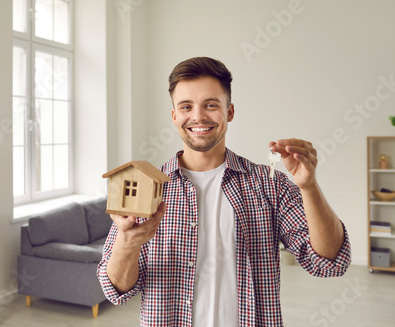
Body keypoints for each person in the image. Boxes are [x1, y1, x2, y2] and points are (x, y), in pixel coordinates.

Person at [97, 57, 351, 326]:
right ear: (174, 116)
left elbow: (329, 263)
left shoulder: (270, 185)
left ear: (229, 112)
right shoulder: (145, 189)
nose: (198, 116)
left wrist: (309, 186)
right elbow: (115, 290)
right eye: (186, 106)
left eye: (211, 105)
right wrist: (128, 241)